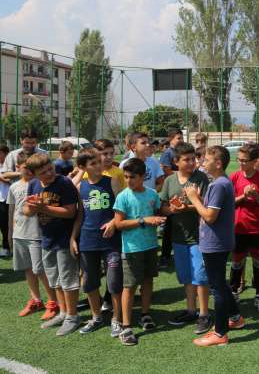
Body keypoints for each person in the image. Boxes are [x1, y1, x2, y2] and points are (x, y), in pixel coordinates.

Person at [185, 145, 245, 347]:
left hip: (215, 243)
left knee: (217, 288)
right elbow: (210, 209)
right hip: (217, 241)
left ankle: (220, 333)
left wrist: (194, 197)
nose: (202, 162)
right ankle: (235, 317)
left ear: (218, 163)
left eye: (206, 159)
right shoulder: (219, 183)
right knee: (221, 283)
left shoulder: (219, 184)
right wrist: (195, 202)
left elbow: (210, 216)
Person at [24, 153, 80, 336]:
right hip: (47, 239)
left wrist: (43, 208)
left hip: (65, 239)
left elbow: (71, 212)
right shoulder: (33, 185)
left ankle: (73, 316)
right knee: (54, 279)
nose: (49, 173)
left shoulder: (63, 183)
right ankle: (63, 312)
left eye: (50, 168)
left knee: (68, 280)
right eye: (44, 172)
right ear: (34, 174)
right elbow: (26, 211)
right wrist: (32, 207)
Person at [69, 148, 123, 337]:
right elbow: (79, 216)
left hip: (111, 241)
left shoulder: (112, 182)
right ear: (82, 167)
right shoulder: (80, 187)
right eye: (93, 163)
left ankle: (117, 319)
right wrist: (73, 238)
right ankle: (96, 316)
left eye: (99, 162)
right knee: (90, 282)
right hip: (88, 240)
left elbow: (122, 209)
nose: (99, 166)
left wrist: (113, 223)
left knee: (114, 281)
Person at [159, 142, 212, 334]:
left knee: (200, 277)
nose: (191, 163)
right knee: (187, 277)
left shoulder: (201, 178)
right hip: (178, 237)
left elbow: (207, 207)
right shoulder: (170, 181)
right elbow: (162, 207)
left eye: (193, 159)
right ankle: (191, 310)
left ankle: (204, 314)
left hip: (200, 237)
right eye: (186, 159)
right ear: (176, 161)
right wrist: (171, 210)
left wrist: (188, 207)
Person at [113, 158, 166, 346]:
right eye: (126, 177)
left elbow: (160, 212)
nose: (128, 180)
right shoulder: (123, 196)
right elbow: (118, 224)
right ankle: (126, 326)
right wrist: (144, 220)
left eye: (132, 177)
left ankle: (145, 314)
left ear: (143, 177)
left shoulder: (152, 194)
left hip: (150, 246)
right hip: (132, 249)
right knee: (130, 286)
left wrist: (173, 209)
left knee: (148, 280)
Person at [8, 153, 58, 320]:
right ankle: (36, 300)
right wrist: (11, 232)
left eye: (31, 169)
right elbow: (13, 211)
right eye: (25, 168)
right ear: (18, 168)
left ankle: (53, 302)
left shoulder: (39, 185)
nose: (28, 171)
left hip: (36, 234)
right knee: (28, 269)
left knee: (40, 270)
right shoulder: (14, 187)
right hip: (19, 234)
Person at [229, 143, 259, 312]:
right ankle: (233, 293)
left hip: (257, 228)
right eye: (239, 160)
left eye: (245, 161)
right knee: (237, 261)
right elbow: (229, 203)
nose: (241, 164)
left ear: (254, 161)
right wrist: (242, 196)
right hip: (238, 227)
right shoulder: (234, 177)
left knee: (258, 261)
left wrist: (254, 195)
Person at [158, 129, 183, 268]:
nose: (181, 140)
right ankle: (165, 256)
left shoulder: (180, 152)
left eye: (182, 137)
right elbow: (166, 171)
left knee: (182, 221)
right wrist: (183, 171)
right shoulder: (167, 153)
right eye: (178, 138)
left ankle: (180, 253)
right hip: (171, 193)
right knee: (170, 224)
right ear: (171, 139)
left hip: (181, 192)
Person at [0, 144, 11, 257]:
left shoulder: (9, 166)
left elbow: (10, 181)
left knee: (5, 225)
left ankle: (7, 247)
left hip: (6, 199)